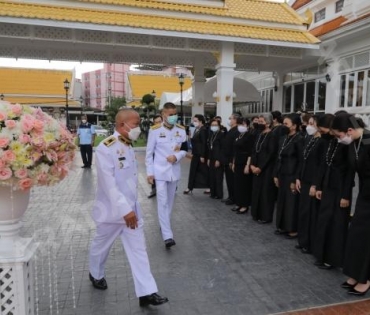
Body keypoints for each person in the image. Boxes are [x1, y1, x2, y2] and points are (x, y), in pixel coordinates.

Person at [88, 109, 168, 307]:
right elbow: (109, 185)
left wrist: (131, 209)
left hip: (131, 211)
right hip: (111, 212)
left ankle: (146, 292)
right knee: (101, 247)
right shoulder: (106, 148)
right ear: (122, 125)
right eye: (135, 123)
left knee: (139, 250)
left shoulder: (128, 145)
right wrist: (125, 210)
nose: (138, 127)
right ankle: (95, 273)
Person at [331, 114, 370, 296]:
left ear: (349, 130)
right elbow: (346, 169)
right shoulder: (354, 143)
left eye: (339, 136)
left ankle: (365, 278)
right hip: (365, 195)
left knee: (366, 237)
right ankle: (355, 274)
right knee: (356, 235)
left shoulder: (369, 141)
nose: (340, 140)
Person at [313, 113, 353, 270]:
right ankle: (322, 254)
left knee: (337, 224)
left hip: (341, 189)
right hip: (328, 186)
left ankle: (335, 258)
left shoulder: (347, 143)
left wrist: (345, 195)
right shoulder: (330, 142)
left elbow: (349, 172)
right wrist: (319, 186)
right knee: (325, 221)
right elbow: (324, 164)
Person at [145, 102, 187, 248]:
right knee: (162, 202)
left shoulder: (181, 130)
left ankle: (164, 224)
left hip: (174, 172)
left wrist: (177, 156)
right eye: (171, 114)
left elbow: (185, 148)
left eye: (175, 114)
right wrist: (150, 173)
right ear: (163, 114)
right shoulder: (155, 130)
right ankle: (167, 236)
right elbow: (149, 154)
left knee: (170, 202)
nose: (174, 117)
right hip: (160, 172)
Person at [295, 115, 326, 254]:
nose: (309, 126)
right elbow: (302, 160)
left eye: (313, 124)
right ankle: (302, 240)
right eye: (310, 123)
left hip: (313, 181)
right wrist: (298, 178)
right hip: (304, 179)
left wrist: (315, 185)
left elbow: (320, 166)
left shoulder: (322, 142)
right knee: (303, 212)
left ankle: (309, 242)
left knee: (311, 213)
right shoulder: (309, 139)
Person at [273, 113, 303, 238]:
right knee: (282, 201)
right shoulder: (283, 138)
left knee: (291, 203)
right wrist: (275, 174)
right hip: (282, 173)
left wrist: (296, 178)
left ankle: (292, 228)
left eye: (286, 124)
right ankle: (282, 226)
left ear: (294, 126)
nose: (283, 126)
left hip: (292, 174)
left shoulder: (299, 139)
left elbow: (301, 161)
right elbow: (278, 157)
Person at [250, 114, 277, 223]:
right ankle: (256, 213)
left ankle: (266, 216)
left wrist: (260, 167)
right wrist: (252, 164)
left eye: (262, 122)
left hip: (266, 169)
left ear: (268, 123)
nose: (259, 124)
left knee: (266, 193)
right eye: (259, 121)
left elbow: (270, 154)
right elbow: (254, 150)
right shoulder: (259, 134)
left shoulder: (272, 135)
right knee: (256, 191)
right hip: (255, 167)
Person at [231, 117, 256, 214]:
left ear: (248, 125)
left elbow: (251, 152)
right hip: (237, 161)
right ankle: (239, 203)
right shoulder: (238, 135)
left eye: (243, 124)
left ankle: (245, 205)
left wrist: (247, 165)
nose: (241, 126)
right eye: (240, 124)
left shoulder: (250, 136)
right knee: (237, 184)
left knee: (244, 185)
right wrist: (233, 162)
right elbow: (235, 150)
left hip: (245, 162)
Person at [184, 114, 209, 194]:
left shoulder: (203, 130)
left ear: (201, 121)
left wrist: (202, 155)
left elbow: (204, 143)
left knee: (204, 171)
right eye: (193, 121)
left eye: (195, 121)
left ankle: (209, 187)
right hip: (195, 154)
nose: (194, 122)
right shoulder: (196, 129)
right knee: (193, 170)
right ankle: (190, 187)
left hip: (200, 155)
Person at [221, 113, 240, 206]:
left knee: (232, 180)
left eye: (230, 118)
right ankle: (230, 196)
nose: (229, 120)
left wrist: (232, 160)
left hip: (231, 160)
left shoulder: (237, 131)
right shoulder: (231, 130)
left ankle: (234, 198)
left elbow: (235, 147)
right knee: (228, 180)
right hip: (226, 159)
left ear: (235, 120)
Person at [207, 119, 225, 199]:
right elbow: (210, 147)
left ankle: (219, 194)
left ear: (219, 126)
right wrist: (208, 158)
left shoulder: (221, 134)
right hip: (211, 158)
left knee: (218, 177)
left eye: (215, 125)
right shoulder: (211, 134)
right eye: (212, 125)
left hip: (218, 158)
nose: (214, 126)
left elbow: (222, 148)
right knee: (212, 176)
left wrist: (219, 159)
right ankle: (213, 193)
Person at [148, 115, 163, 198]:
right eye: (156, 122)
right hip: (155, 155)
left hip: (165, 156)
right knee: (154, 171)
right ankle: (154, 189)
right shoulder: (152, 130)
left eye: (160, 122)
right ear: (154, 123)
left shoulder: (167, 129)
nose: (158, 124)